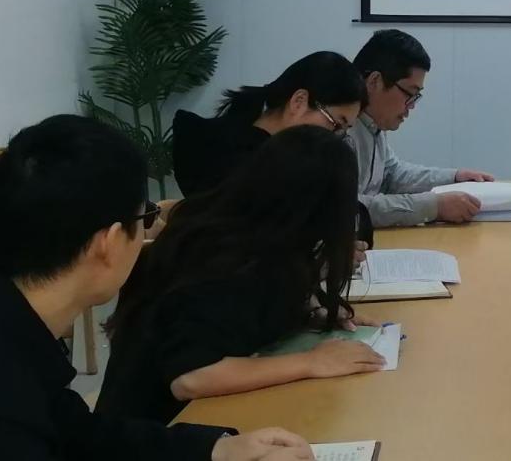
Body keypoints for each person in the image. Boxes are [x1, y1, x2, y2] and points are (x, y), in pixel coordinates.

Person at [0, 114, 313, 460]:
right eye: (146, 216)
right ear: (109, 242)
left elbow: (80, 435)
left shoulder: (21, 335)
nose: (152, 229)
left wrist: (216, 449)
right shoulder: (9, 393)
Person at [98, 127, 385, 425]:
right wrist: (312, 362)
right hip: (149, 429)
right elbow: (192, 377)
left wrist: (309, 314)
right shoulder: (225, 260)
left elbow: (244, 316)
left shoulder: (249, 228)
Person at [349, 29, 494, 227]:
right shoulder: (340, 130)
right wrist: (434, 207)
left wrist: (454, 177)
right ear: (374, 81)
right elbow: (350, 208)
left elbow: (393, 175)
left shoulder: (372, 123)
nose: (411, 106)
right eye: (409, 93)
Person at [172, 51, 366, 197]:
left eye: (343, 131)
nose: (335, 138)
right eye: (335, 124)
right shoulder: (234, 163)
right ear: (298, 101)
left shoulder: (282, 155)